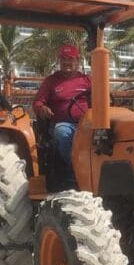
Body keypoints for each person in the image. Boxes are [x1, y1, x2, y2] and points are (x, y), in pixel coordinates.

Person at [32, 44, 90, 183]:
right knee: (62, 132)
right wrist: (42, 108)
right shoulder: (51, 81)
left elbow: (102, 98)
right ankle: (75, 172)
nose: (66, 62)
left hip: (87, 123)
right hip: (64, 123)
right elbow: (38, 102)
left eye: (70, 59)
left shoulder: (87, 80)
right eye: (63, 59)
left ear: (78, 60)